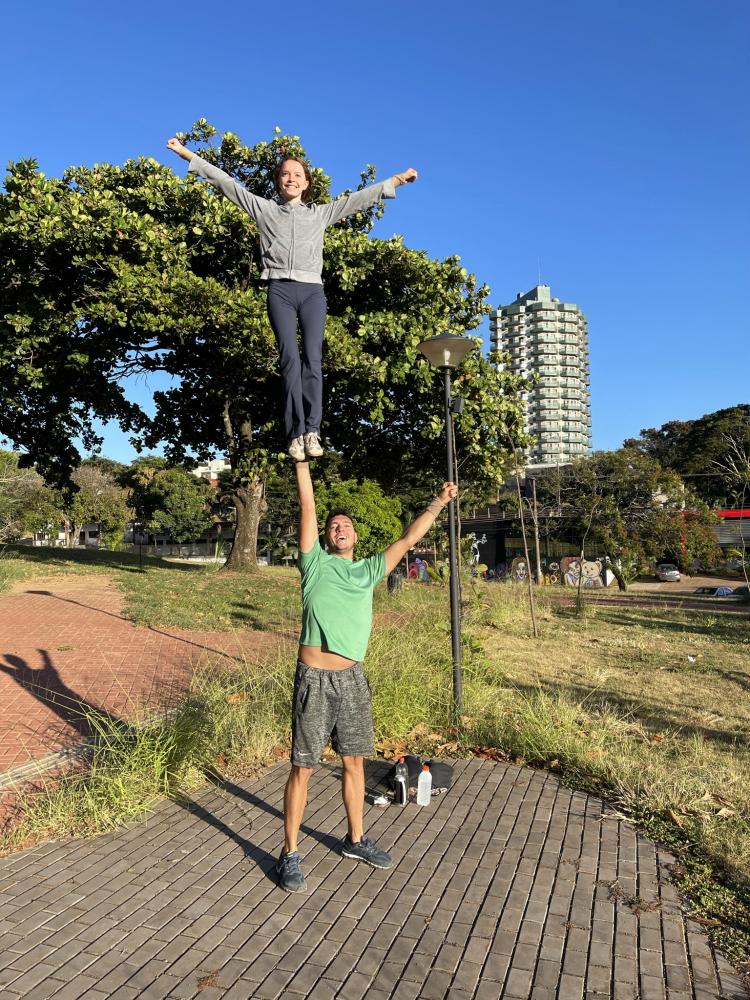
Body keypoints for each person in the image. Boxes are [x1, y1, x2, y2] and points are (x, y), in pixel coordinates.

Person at [165, 135, 417, 460]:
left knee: (313, 359)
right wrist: (185, 152)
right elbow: (225, 182)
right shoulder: (264, 209)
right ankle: (295, 434)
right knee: (289, 361)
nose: (291, 178)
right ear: (279, 181)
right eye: (286, 173)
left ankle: (313, 431)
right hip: (280, 290)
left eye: (298, 174)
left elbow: (359, 199)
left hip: (312, 291)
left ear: (307, 183)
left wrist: (397, 179)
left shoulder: (321, 214)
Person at [277, 461, 457, 892]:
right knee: (303, 768)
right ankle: (290, 852)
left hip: (352, 681)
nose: (339, 527)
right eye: (334, 525)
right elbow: (307, 503)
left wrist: (440, 501)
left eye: (346, 525)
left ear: (356, 537)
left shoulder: (369, 570)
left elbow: (410, 538)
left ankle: (355, 840)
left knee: (354, 762)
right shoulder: (314, 565)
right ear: (325, 537)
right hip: (315, 680)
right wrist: (302, 461)